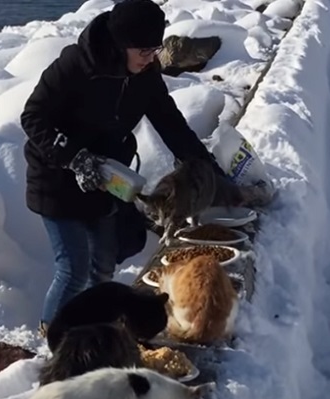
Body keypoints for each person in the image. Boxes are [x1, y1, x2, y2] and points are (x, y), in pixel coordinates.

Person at [20, 0, 218, 335]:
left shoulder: (146, 75)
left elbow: (171, 124)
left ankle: (97, 331)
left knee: (103, 265)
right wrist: (76, 158)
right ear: (119, 44)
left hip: (108, 178)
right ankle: (52, 340)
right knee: (73, 269)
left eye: (156, 48)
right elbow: (32, 117)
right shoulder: (75, 65)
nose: (151, 56)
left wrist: (207, 166)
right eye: (143, 49)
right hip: (55, 178)